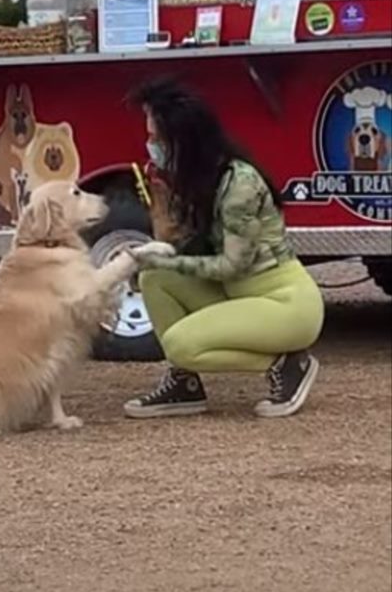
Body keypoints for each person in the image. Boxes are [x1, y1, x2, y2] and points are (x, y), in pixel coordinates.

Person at [125, 78, 325, 419]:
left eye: (156, 139)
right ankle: (183, 383)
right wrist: (161, 227)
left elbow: (233, 266)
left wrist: (171, 261)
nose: (150, 146)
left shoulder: (239, 185)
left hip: (285, 304)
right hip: (243, 295)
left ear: (182, 141)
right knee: (154, 279)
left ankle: (286, 364)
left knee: (179, 343)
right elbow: (191, 249)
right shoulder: (202, 178)